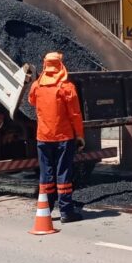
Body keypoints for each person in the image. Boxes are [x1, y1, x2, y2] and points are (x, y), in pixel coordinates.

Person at [28, 52, 85, 223]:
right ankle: (66, 211)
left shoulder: (37, 86)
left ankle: (46, 209)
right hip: (63, 137)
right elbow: (75, 114)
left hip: (43, 137)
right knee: (63, 173)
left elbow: (31, 101)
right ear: (60, 65)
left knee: (46, 174)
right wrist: (80, 135)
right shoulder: (66, 87)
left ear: (45, 65)